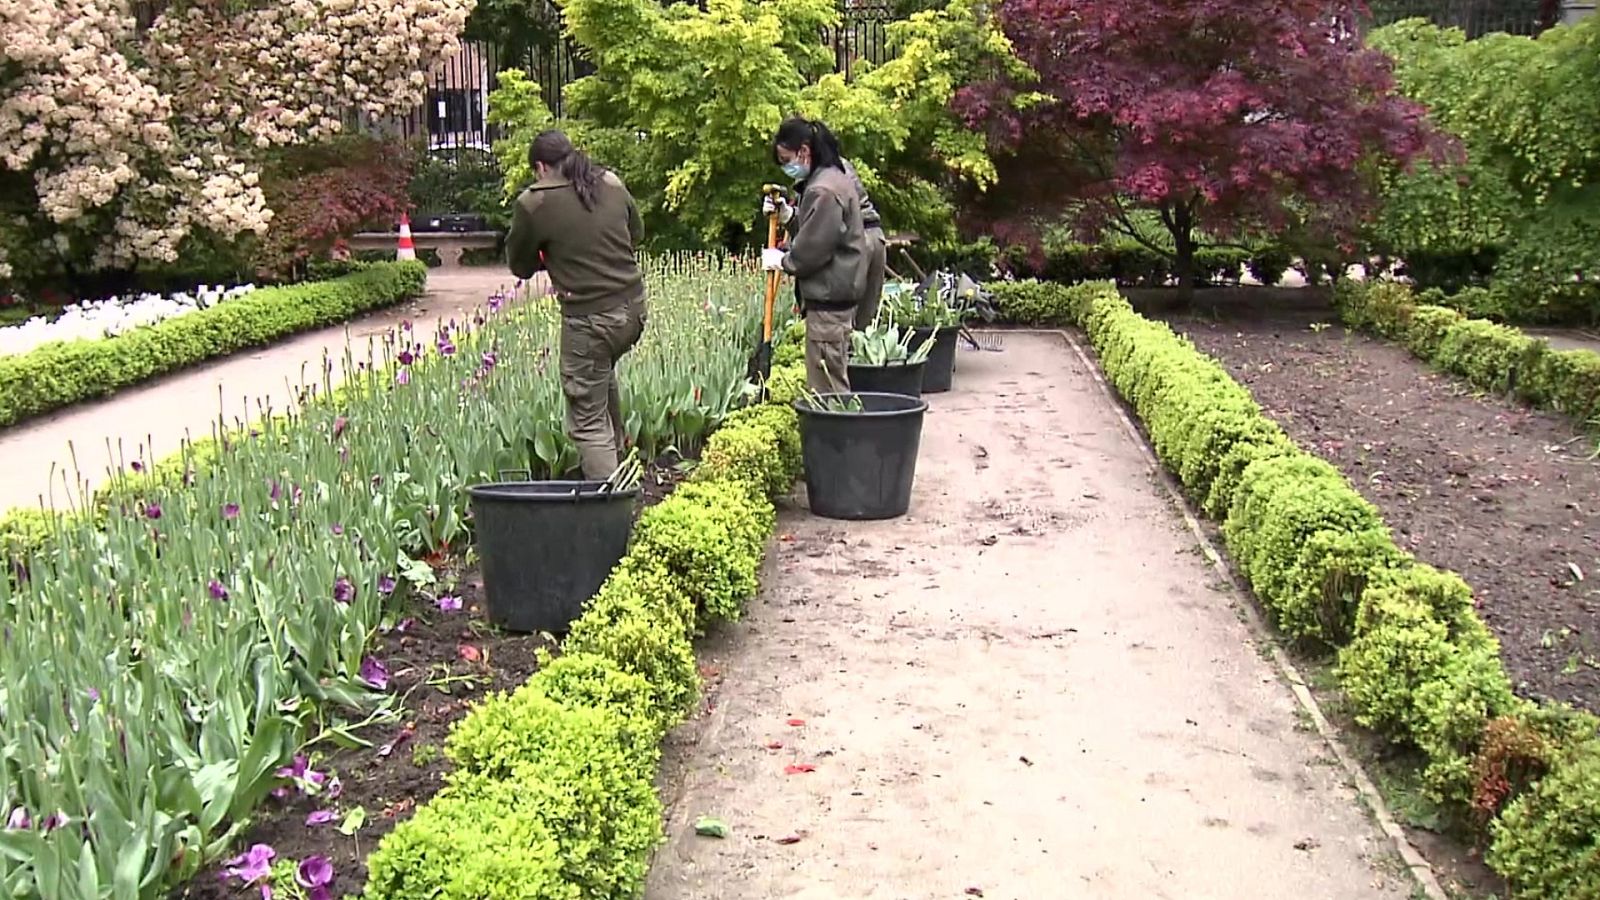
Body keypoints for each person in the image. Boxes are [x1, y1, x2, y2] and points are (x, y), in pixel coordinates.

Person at [505, 129, 648, 480]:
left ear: (540, 166)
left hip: (590, 321)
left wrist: (552, 256)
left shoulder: (534, 202)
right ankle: (621, 471)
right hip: (633, 308)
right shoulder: (610, 182)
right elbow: (637, 234)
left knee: (586, 420)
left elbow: (520, 266)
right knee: (601, 378)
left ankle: (609, 507)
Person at [761, 117, 870, 395]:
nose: (787, 168)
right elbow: (818, 228)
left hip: (830, 301)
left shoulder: (823, 190)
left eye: (787, 160)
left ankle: (838, 438)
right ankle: (837, 436)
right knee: (831, 378)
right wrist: (788, 215)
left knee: (828, 389)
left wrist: (783, 260)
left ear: (804, 151)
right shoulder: (832, 178)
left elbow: (813, 249)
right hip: (837, 298)